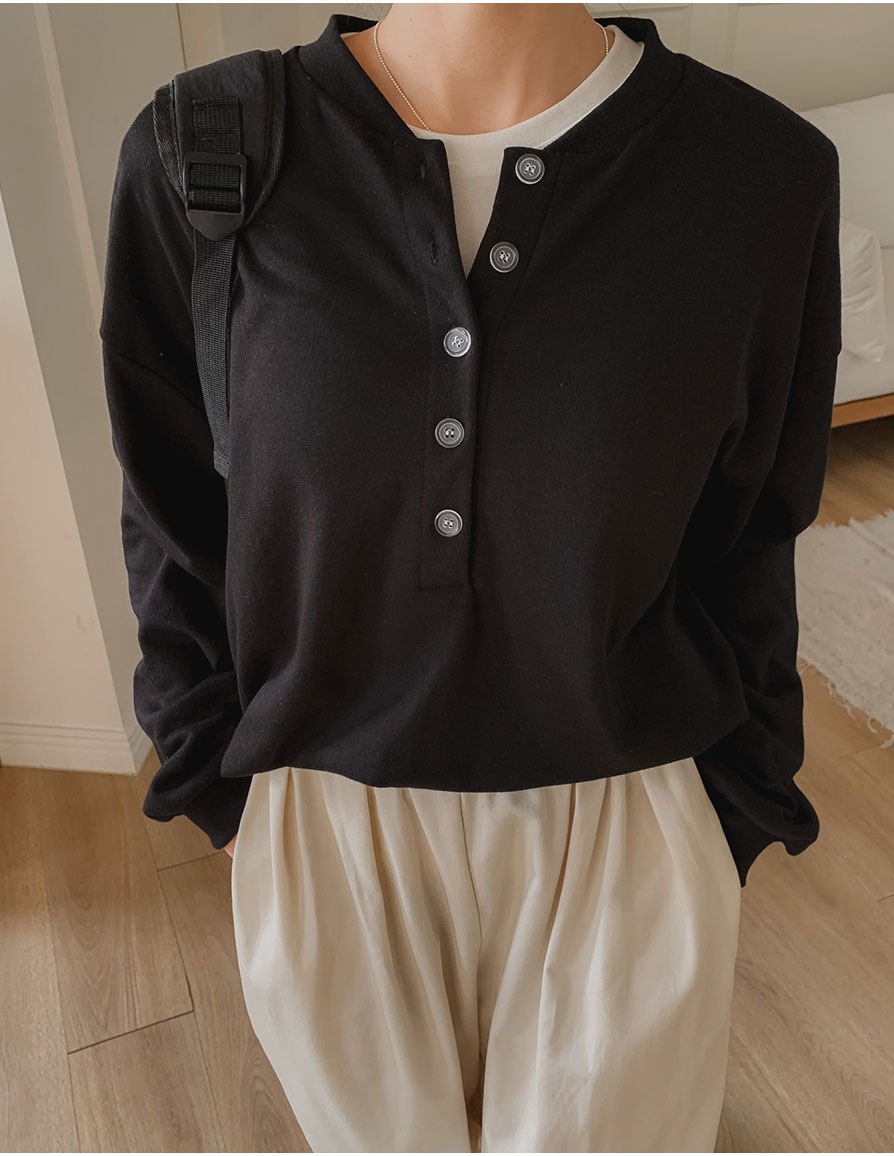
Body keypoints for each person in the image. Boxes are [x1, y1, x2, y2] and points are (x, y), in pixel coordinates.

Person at [100, 3, 842, 1151]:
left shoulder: (760, 173)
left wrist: (735, 802)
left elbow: (757, 524)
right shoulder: (206, 148)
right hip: (323, 821)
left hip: (628, 822)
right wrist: (213, 774)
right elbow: (170, 504)